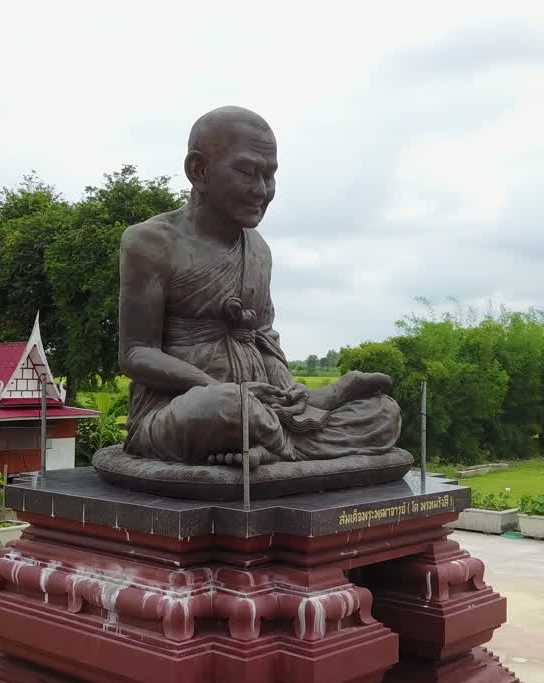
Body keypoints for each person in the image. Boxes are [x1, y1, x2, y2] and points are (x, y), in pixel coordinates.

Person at [117, 106, 401, 466]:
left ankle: (272, 440)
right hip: (185, 408)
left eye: (270, 175)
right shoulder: (150, 242)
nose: (263, 190)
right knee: (227, 409)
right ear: (199, 170)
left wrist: (291, 393)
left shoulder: (258, 250)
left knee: (383, 412)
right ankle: (283, 445)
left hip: (264, 404)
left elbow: (263, 337)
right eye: (248, 171)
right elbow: (137, 353)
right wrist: (213, 387)